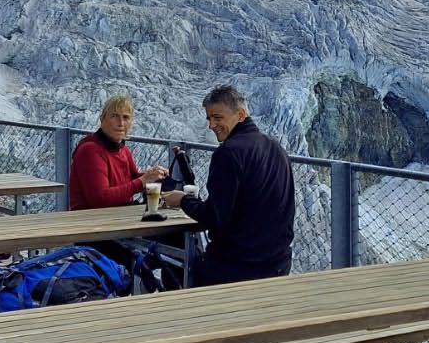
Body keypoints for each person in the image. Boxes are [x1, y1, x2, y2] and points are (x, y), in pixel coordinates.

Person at [175, 84, 295, 286]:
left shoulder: (228, 153)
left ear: (240, 115)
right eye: (209, 118)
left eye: (218, 117)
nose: (212, 125)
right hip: (278, 264)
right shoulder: (276, 147)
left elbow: (213, 217)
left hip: (235, 267)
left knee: (178, 267)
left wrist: (183, 200)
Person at [69, 95, 168, 210]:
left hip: (118, 214)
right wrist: (143, 181)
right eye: (114, 116)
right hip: (90, 221)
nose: (120, 123)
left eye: (125, 118)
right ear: (102, 119)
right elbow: (100, 199)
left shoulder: (123, 149)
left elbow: (132, 181)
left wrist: (155, 176)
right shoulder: (90, 150)